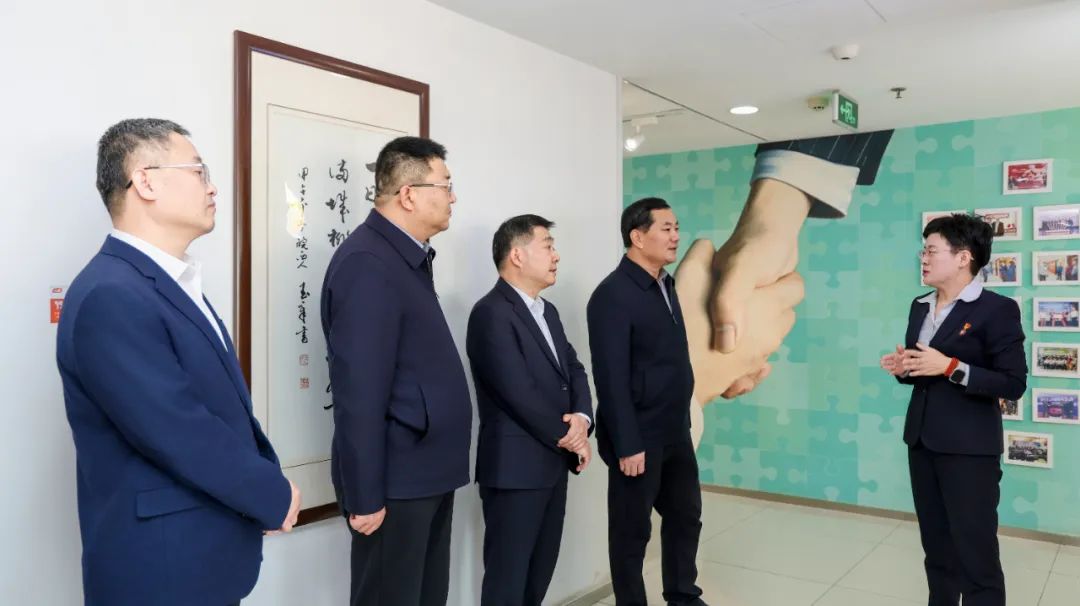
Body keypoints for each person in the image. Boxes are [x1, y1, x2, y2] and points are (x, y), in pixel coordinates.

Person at [56, 118, 300, 606]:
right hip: (160, 571)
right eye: (198, 171)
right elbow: (179, 429)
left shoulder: (164, 283)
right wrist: (269, 494)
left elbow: (222, 410)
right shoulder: (111, 293)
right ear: (145, 182)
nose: (212, 187)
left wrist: (262, 492)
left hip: (197, 559)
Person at [587, 197, 802, 605]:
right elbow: (610, 378)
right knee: (632, 531)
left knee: (686, 516)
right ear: (637, 237)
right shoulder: (612, 295)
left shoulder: (666, 285)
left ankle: (683, 595)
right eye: (665, 228)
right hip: (638, 436)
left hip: (675, 428)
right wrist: (627, 443)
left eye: (676, 227)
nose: (675, 236)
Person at [320, 136, 471, 606]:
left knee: (426, 595)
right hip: (397, 478)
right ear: (408, 194)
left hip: (426, 470)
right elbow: (359, 391)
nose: (453, 197)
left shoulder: (404, 256)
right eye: (445, 185)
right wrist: (365, 494)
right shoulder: (368, 263)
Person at [880, 214, 1026, 606]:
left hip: (969, 449)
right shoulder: (920, 306)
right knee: (937, 551)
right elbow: (923, 371)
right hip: (922, 441)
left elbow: (1013, 383)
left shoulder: (997, 309)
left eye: (931, 250)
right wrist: (905, 369)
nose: (923, 258)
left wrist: (950, 367)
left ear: (963, 257)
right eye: (923, 251)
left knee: (976, 557)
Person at [466, 214, 594, 606]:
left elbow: (573, 369)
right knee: (507, 580)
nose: (556, 256)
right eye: (548, 246)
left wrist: (583, 419)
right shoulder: (491, 313)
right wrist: (571, 436)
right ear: (517, 255)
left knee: (539, 573)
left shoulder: (547, 311)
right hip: (515, 471)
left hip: (553, 463)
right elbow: (516, 391)